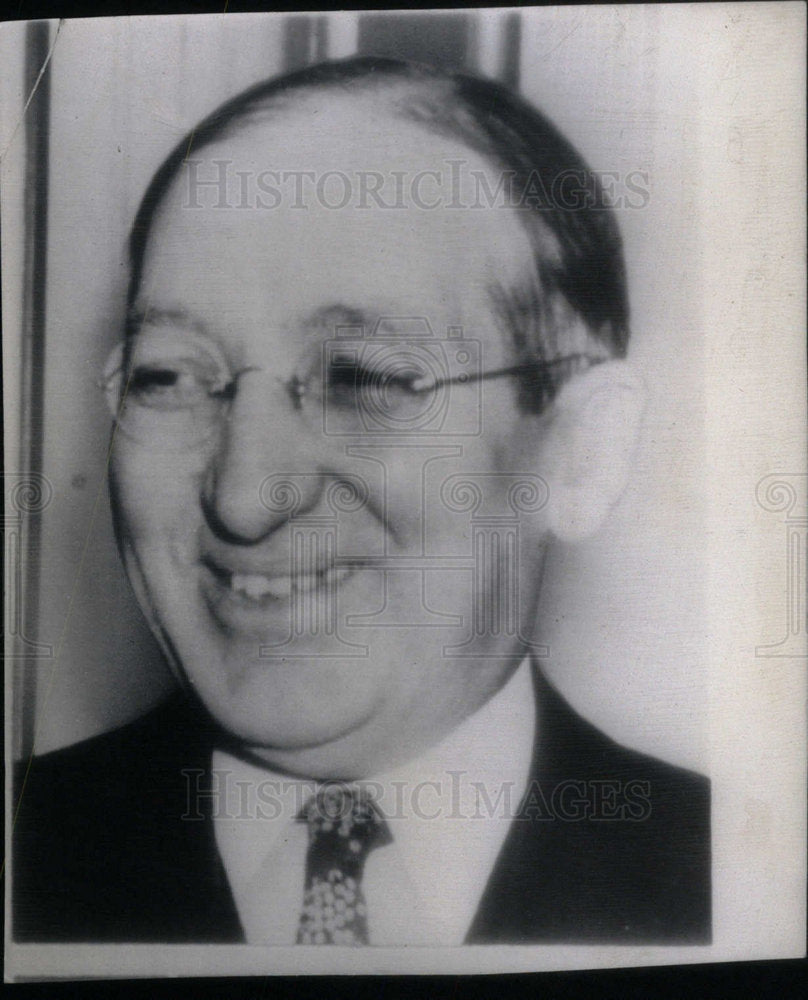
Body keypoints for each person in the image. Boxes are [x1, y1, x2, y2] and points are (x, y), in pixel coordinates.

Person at [14, 57, 710, 946]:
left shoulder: (726, 879)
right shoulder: (24, 864)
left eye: (358, 377)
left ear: (580, 453)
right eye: (169, 377)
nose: (245, 497)